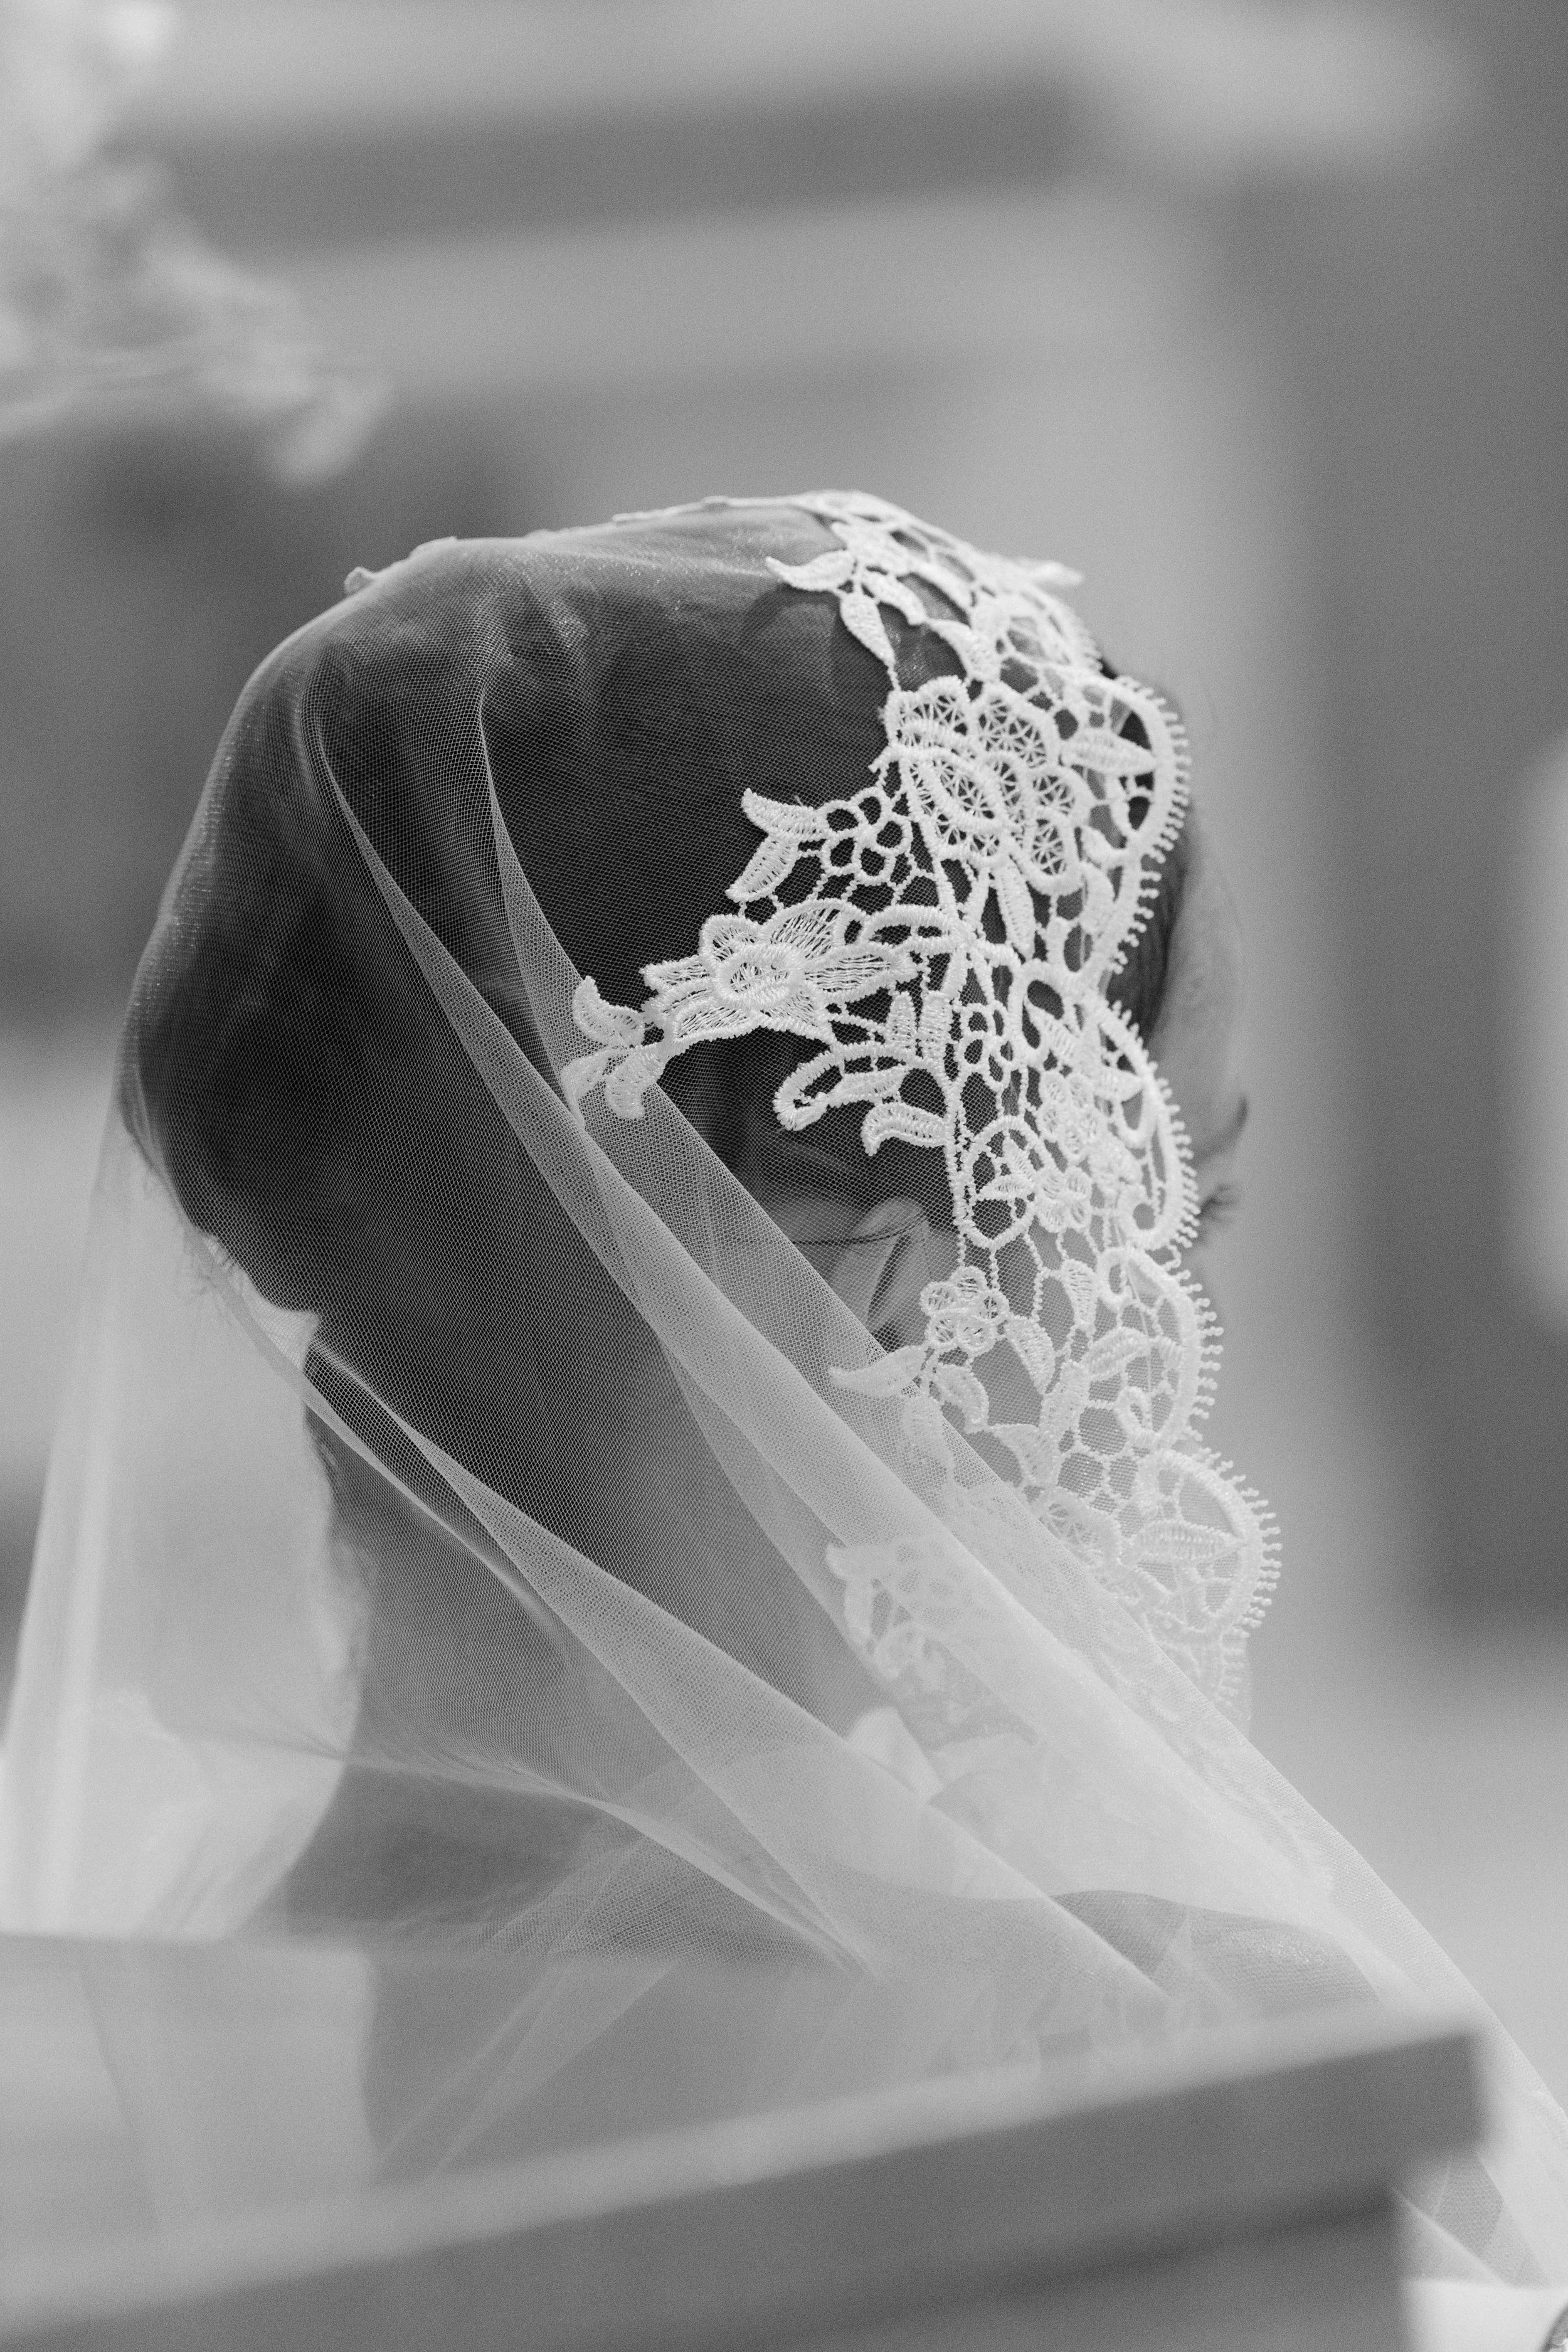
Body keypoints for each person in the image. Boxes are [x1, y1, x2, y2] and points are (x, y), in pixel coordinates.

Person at [0, 492, 1564, 2345]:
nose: (1169, 1340)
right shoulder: (1147, 2079)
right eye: (1163, 1220)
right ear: (897, 1294)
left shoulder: (99, 2093)